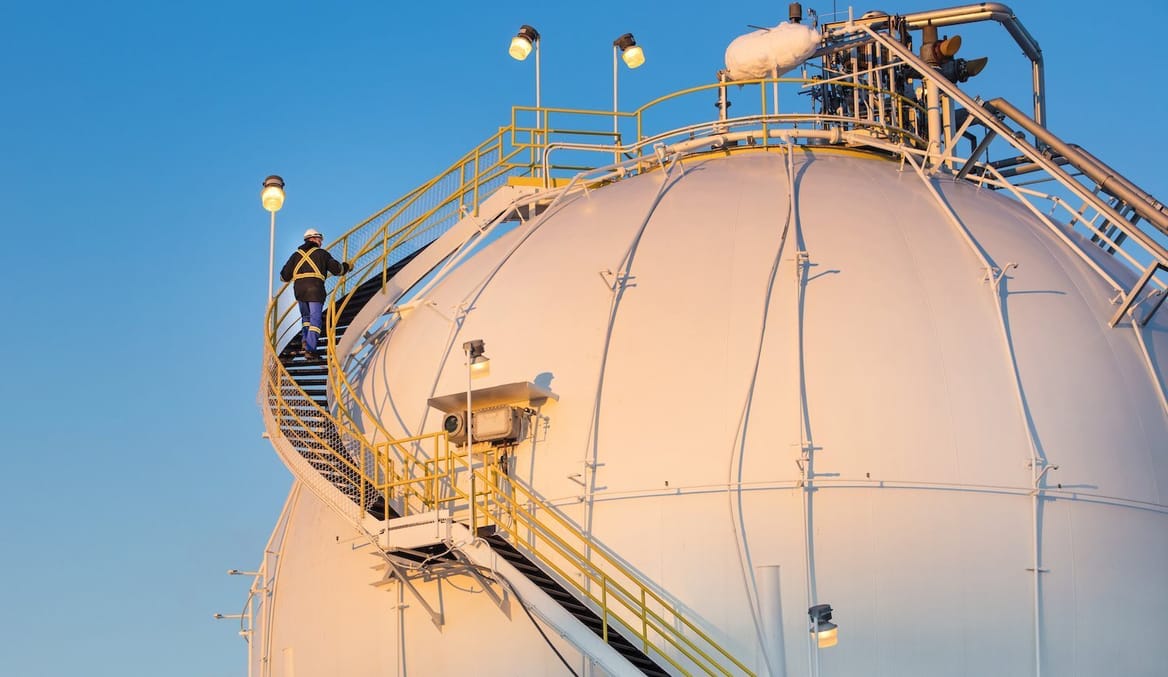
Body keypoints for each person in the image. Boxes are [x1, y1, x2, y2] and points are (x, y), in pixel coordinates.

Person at [280, 228, 352, 359]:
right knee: (315, 320)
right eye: (319, 239)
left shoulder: (295, 255)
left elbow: (284, 276)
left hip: (299, 291)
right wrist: (347, 266)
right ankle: (311, 349)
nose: (321, 243)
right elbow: (337, 270)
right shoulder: (322, 254)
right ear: (313, 239)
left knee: (306, 318)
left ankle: (305, 341)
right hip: (315, 289)